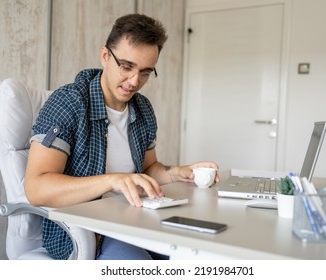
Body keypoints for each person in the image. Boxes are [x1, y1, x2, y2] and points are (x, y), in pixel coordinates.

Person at [24, 13, 219, 260]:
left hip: (136, 218)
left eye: (146, 72)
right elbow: (36, 188)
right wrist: (111, 180)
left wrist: (175, 172)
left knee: (199, 256)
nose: (135, 81)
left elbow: (148, 169)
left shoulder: (143, 108)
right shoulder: (69, 103)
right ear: (105, 56)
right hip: (87, 232)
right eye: (127, 67)